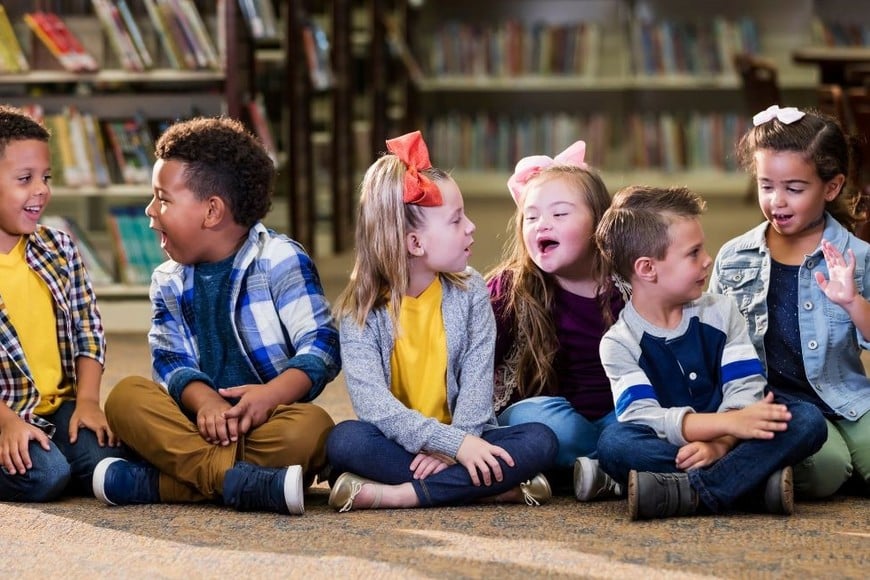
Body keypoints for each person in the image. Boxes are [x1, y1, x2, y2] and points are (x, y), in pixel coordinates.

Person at [92, 116, 340, 515]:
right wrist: (205, 401)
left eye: (163, 198)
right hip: (195, 423)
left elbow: (322, 345)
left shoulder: (280, 259)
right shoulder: (168, 280)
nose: (150, 210)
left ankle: (161, 483)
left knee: (313, 430)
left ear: (212, 212)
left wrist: (268, 396)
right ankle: (238, 482)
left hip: (263, 422)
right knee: (125, 399)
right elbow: (170, 360)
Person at [325, 130, 558, 511]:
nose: (471, 227)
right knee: (345, 441)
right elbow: (376, 409)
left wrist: (459, 443)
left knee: (541, 440)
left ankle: (401, 495)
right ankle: (489, 488)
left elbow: (478, 385)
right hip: (401, 442)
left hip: (470, 435)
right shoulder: (359, 311)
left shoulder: (472, 291)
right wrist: (454, 448)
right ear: (415, 243)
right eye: (456, 220)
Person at [593, 184, 827, 520]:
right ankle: (749, 485)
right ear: (647, 269)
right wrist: (726, 425)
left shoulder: (722, 311)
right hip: (676, 444)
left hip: (734, 436)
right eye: (693, 253)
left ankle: (688, 492)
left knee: (806, 420)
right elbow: (644, 417)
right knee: (615, 444)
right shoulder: (618, 343)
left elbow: (745, 390)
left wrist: (722, 442)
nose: (708, 260)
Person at [710, 105, 870, 498]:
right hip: (774, 401)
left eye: (794, 189)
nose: (777, 201)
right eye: (767, 186)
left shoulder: (858, 256)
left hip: (845, 396)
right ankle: (769, 469)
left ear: (831, 188)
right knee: (825, 471)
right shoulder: (734, 256)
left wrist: (852, 302)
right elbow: (712, 339)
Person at [486, 141, 624, 502]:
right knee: (543, 421)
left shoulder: (629, 286)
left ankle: (601, 465)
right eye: (531, 217)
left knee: (642, 424)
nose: (542, 224)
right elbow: (473, 364)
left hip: (618, 415)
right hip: (551, 419)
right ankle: (616, 465)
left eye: (560, 215)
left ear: (600, 222)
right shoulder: (508, 289)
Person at [0, 105, 125, 502]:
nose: (41, 189)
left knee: (109, 459)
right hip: (4, 412)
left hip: (58, 408)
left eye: (46, 177)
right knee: (47, 477)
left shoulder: (59, 247)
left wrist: (88, 401)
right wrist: (7, 423)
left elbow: (89, 329)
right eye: (25, 179)